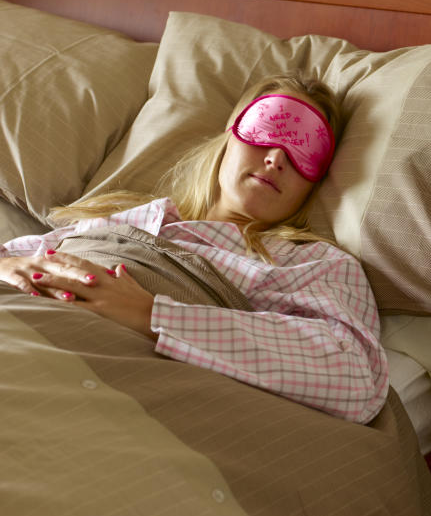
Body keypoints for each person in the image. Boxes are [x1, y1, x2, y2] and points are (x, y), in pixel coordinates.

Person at [0, 73, 388, 424]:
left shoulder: (315, 263)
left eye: (305, 149)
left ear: (318, 180)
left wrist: (153, 315)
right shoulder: (126, 218)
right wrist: (11, 265)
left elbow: (354, 374)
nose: (275, 158)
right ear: (231, 134)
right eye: (267, 128)